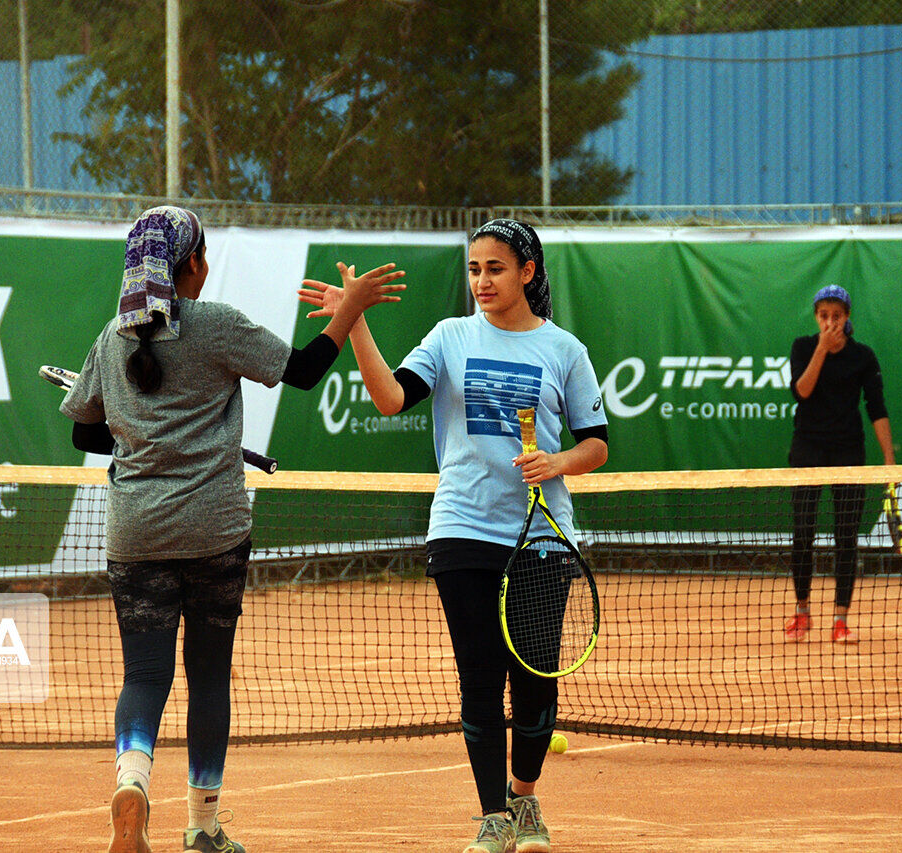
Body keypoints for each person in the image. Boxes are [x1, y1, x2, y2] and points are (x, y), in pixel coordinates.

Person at [60, 205, 405, 853]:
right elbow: (303, 371)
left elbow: (85, 429)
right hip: (214, 530)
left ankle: (132, 779)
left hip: (136, 534)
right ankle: (202, 824)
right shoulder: (215, 325)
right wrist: (351, 306)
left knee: (144, 675)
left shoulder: (111, 338)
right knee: (208, 675)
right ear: (190, 265)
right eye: (203, 255)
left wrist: (138, 424)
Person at [298, 219, 608, 853]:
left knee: (536, 678)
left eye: (495, 268)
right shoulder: (449, 337)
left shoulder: (565, 350)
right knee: (478, 677)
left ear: (526, 272)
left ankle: (525, 799)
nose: (482, 281)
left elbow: (598, 444)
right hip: (462, 527)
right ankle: (493, 817)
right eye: (474, 269)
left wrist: (558, 463)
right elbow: (389, 399)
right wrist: (355, 319)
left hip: (541, 537)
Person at [784, 284, 894, 645]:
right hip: (808, 450)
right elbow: (802, 391)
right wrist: (821, 350)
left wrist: (890, 462)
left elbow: (876, 408)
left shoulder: (864, 356)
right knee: (803, 533)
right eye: (823, 316)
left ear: (847, 318)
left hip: (848, 452)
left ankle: (840, 620)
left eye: (837, 315)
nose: (830, 321)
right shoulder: (803, 347)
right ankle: (802, 613)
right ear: (817, 318)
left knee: (846, 537)